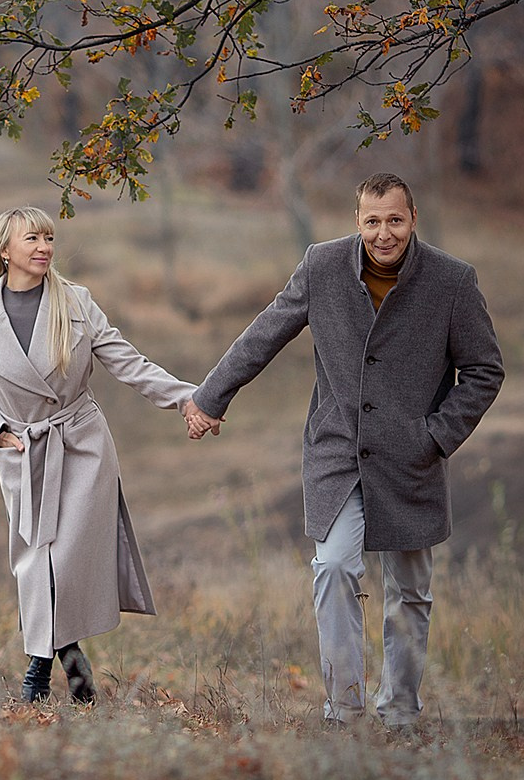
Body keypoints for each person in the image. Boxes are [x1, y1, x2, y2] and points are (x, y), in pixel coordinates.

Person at [183, 173, 502, 729]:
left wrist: (436, 436)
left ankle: (400, 710)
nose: (384, 234)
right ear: (357, 222)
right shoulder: (322, 267)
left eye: (395, 220)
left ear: (413, 218)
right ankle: (344, 710)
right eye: (373, 221)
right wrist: (211, 396)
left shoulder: (452, 282)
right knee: (332, 566)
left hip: (412, 461)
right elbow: (266, 332)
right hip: (338, 454)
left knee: (410, 591)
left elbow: (484, 370)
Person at [0, 206, 197, 703]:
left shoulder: (77, 302)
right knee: (36, 565)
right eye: (32, 238)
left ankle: (37, 676)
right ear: (5, 250)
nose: (44, 247)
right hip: (23, 452)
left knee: (62, 564)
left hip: (81, 446)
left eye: (49, 237)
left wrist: (189, 397)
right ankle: (76, 671)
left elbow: (125, 360)